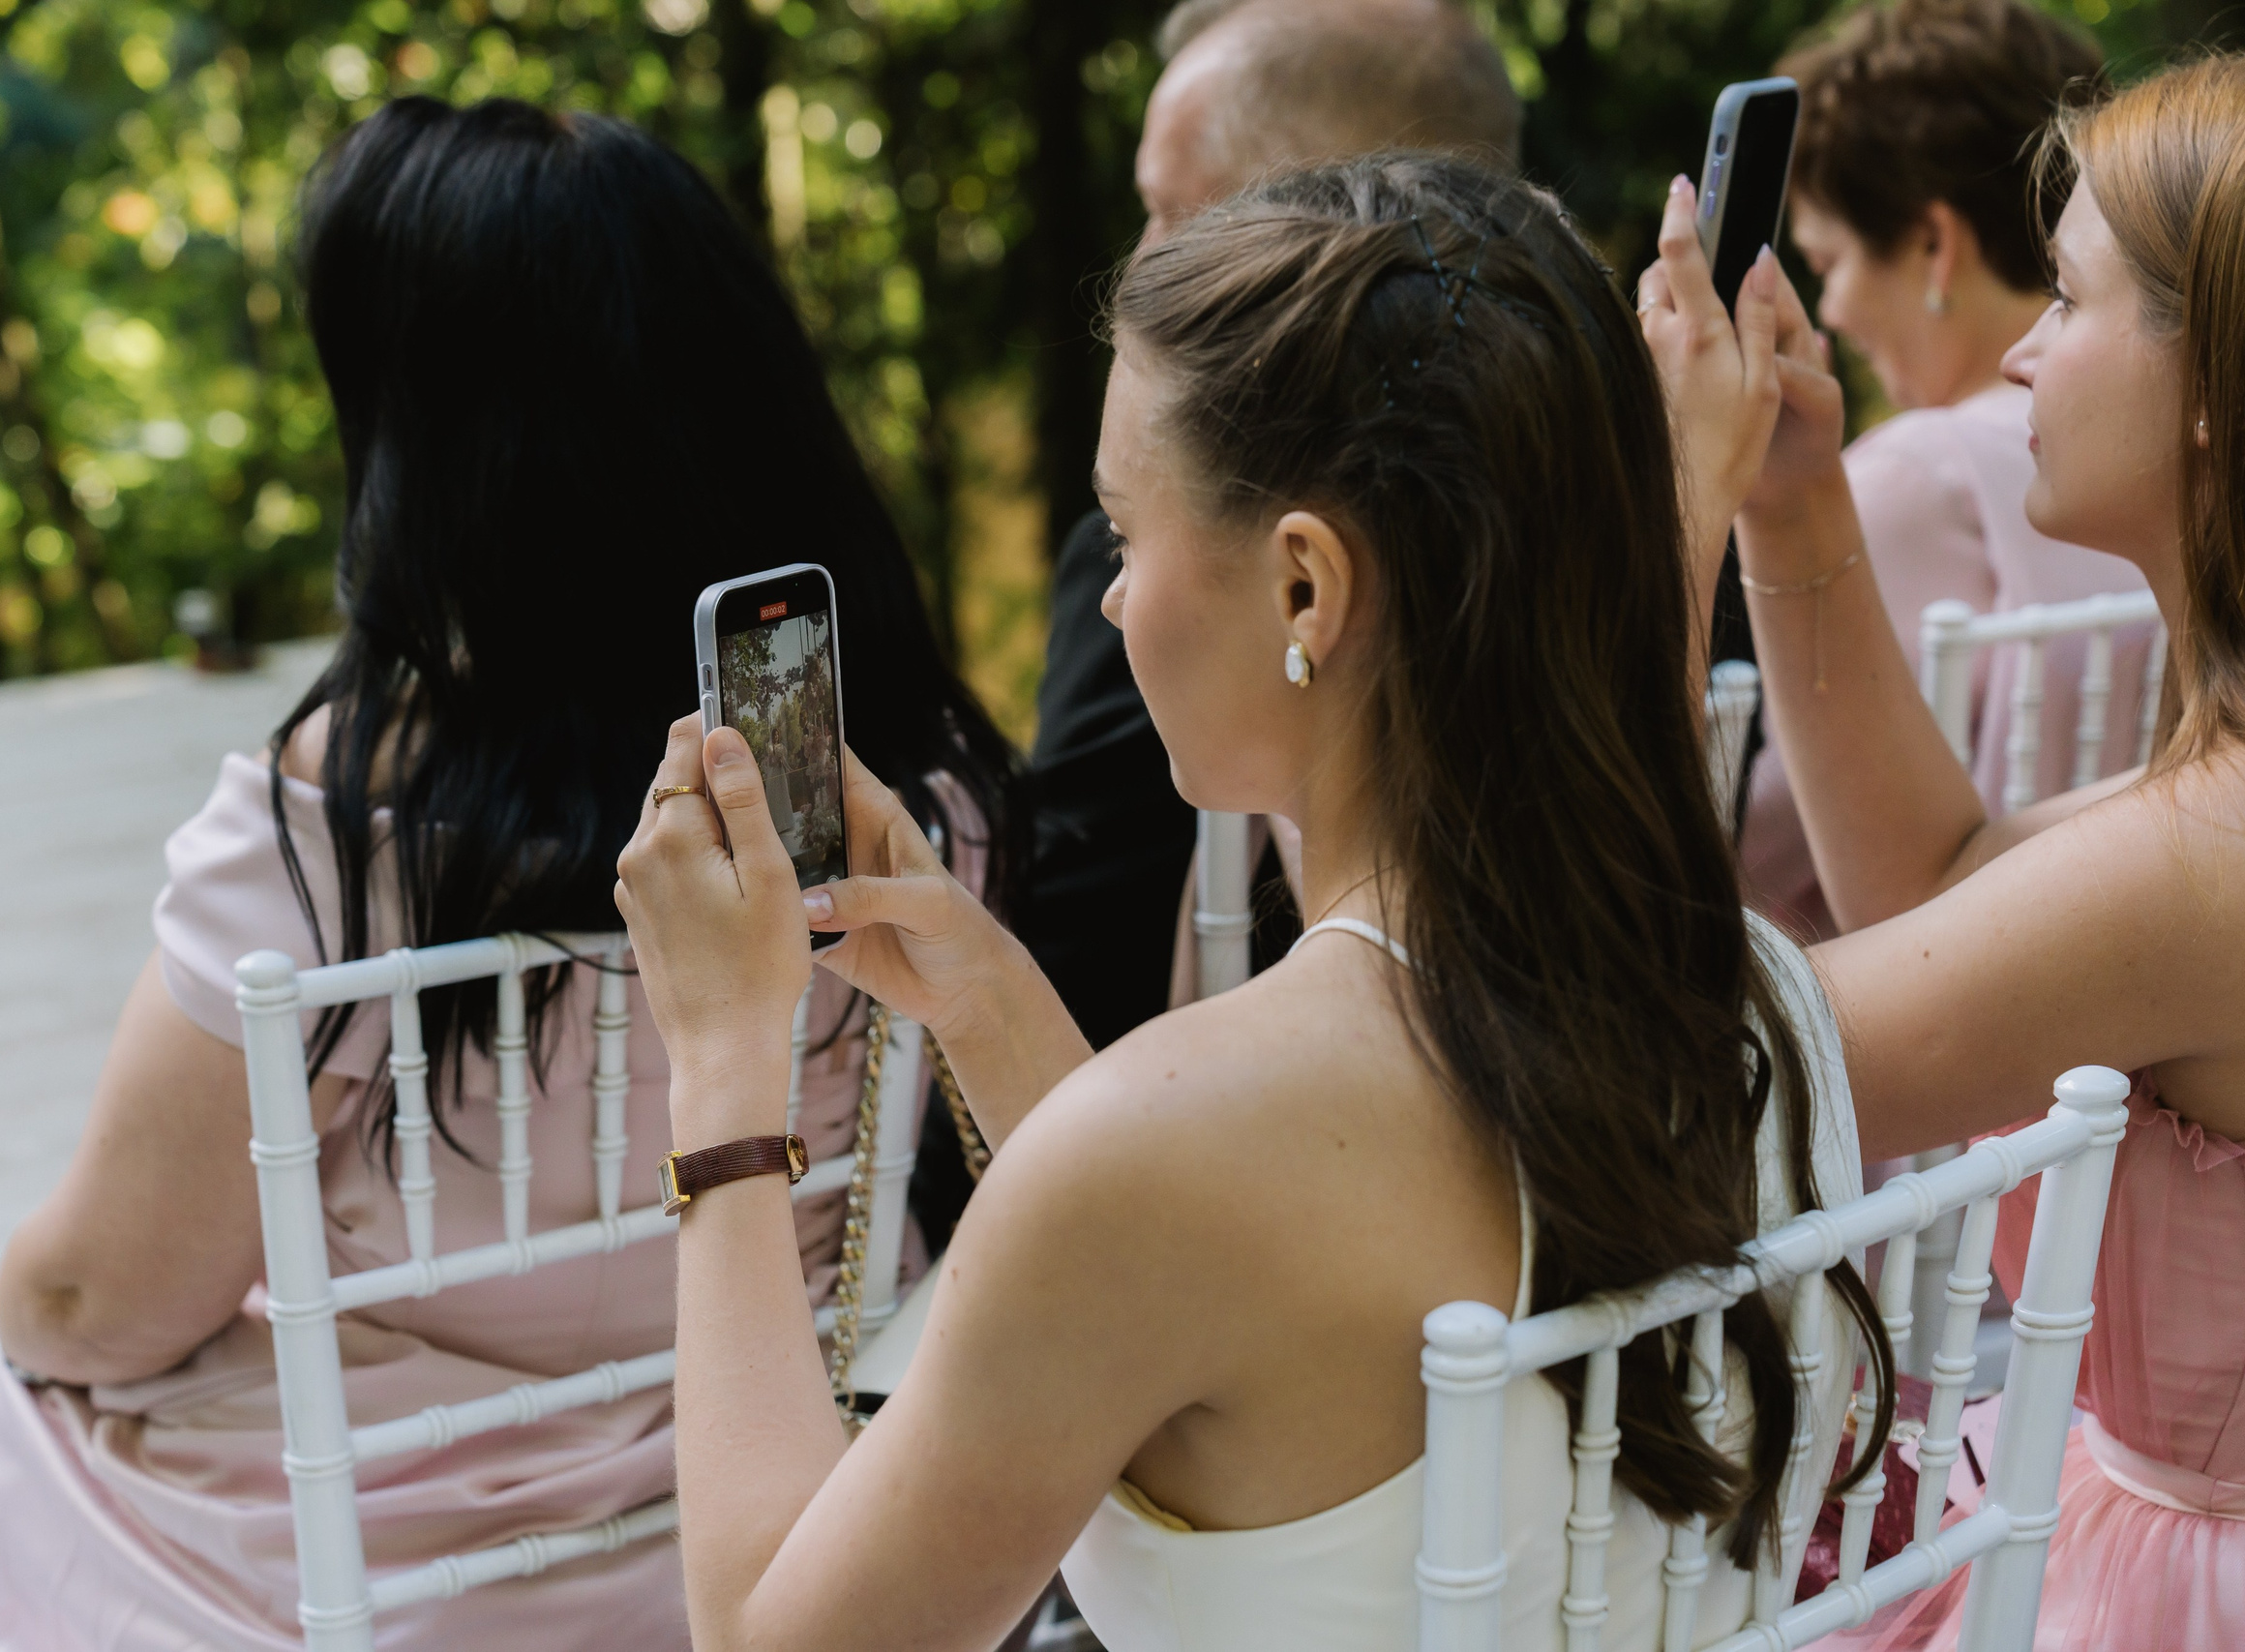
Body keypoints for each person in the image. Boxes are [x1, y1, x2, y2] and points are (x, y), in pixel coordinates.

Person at [0, 98, 1018, 1652]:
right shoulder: (903, 791)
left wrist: (27, 1307)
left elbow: (107, 1300)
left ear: (424, 444)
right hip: (795, 1477)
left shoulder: (331, 827)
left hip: (391, 1550)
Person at [612, 152, 1889, 1652]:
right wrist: (985, 995)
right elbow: (1223, 1237)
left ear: (1304, 590)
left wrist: (724, 1067)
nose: (1110, 596)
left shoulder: (1180, 1152)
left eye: (1123, 531)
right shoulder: (1760, 994)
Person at [1642, 51, 2245, 1652]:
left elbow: (1703, 1074)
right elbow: (1944, 883)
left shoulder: (2212, 854)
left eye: (2069, 297)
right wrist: (1786, 501)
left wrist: (1669, 514)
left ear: (2209, 384)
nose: (2024, 351)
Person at [1022, 0, 1520, 1045]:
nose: (1141, 265)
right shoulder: (1644, 513)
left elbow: (1080, 961)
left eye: (1176, 214)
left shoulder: (1203, 549)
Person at [1741, 0, 2147, 938]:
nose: (1827, 309)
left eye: (1827, 262)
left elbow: (1755, 842)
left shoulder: (1911, 476)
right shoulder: (2150, 466)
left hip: (1926, 959)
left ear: (1933, 244)